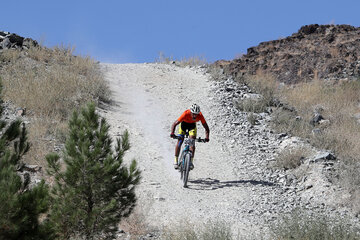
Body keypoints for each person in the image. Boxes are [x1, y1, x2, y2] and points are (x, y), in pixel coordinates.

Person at [170, 103, 210, 169]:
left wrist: (207, 137)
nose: (195, 115)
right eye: (193, 113)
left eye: (196, 114)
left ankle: (190, 161)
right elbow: (175, 124)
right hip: (183, 125)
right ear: (190, 112)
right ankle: (176, 160)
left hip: (192, 127)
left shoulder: (200, 115)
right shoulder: (186, 113)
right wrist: (172, 133)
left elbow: (206, 127)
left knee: (192, 143)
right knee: (180, 141)